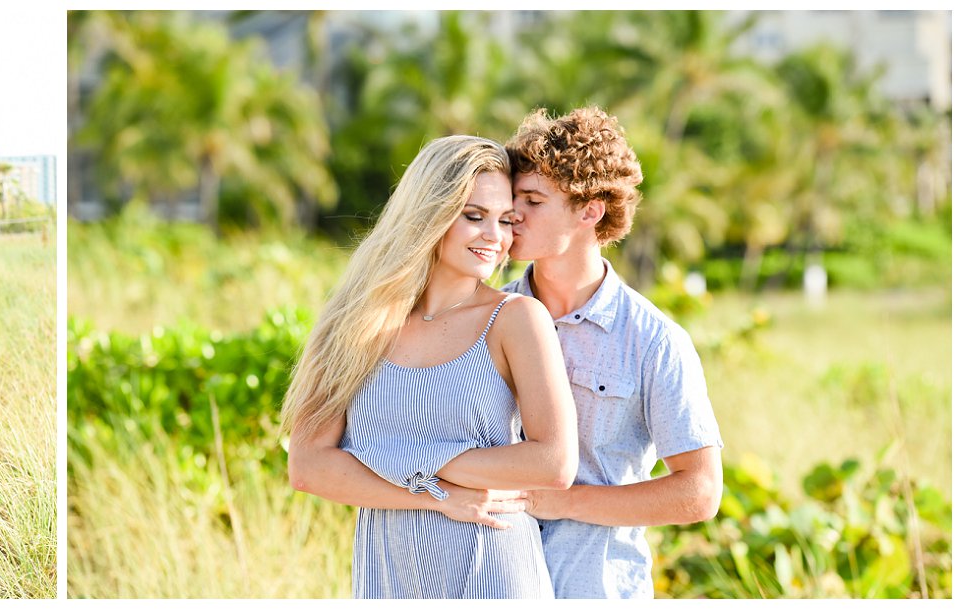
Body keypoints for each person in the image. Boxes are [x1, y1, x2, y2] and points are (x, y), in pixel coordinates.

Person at [285, 135, 579, 599]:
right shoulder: (354, 321)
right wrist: (437, 497)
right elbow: (308, 467)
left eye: (506, 221)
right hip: (387, 578)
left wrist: (398, 463)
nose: (494, 237)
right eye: (474, 216)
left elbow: (554, 462)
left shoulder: (517, 319)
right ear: (430, 213)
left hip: (493, 573)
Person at [499, 107, 724, 599]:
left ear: (590, 210)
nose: (513, 213)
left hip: (596, 589)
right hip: (487, 582)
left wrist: (565, 502)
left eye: (533, 199)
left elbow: (700, 492)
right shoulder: (485, 318)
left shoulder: (653, 340)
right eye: (513, 197)